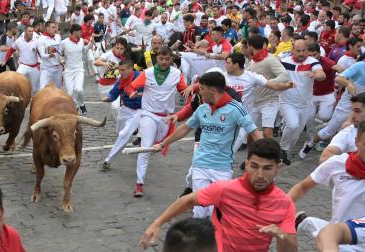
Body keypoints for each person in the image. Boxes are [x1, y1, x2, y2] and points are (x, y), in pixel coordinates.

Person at [140, 138, 297, 252]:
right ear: (247, 164)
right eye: (254, 166)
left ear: (278, 168)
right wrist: (158, 222)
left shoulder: (284, 204)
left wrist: (282, 237)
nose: (260, 175)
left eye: (267, 168)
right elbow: (189, 201)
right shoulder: (225, 189)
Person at [153, 70, 264, 217]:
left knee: (216, 212)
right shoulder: (202, 109)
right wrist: (163, 143)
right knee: (199, 210)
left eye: (202, 89)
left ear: (213, 90)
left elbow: (255, 133)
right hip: (200, 164)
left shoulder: (236, 109)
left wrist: (269, 156)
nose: (200, 93)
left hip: (222, 167)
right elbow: (185, 128)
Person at [287, 121, 365, 251]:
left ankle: (305, 222)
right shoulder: (338, 164)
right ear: (356, 141)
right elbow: (303, 187)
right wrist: (279, 210)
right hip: (339, 238)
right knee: (327, 234)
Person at [125, 46, 187, 197]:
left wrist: (193, 92)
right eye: (161, 59)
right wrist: (132, 93)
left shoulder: (176, 74)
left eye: (167, 59)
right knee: (146, 148)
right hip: (149, 115)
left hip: (166, 119)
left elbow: (184, 91)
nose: (164, 62)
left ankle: (150, 149)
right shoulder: (147, 73)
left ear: (172, 59)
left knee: (156, 146)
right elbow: (130, 87)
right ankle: (139, 184)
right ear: (156, 58)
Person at [300, 61, 365, 159]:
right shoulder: (359, 66)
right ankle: (310, 144)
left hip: (362, 106)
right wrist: (348, 84)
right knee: (329, 131)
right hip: (346, 105)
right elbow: (339, 78)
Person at [279, 38, 326, 165]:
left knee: (296, 134)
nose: (301, 54)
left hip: (305, 105)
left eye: (304, 50)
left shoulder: (313, 62)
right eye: (298, 51)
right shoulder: (284, 61)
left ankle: (285, 154)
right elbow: (275, 74)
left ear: (307, 49)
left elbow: (322, 74)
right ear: (292, 50)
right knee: (292, 125)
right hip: (287, 102)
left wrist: (317, 75)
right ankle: (282, 149)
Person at [100, 60, 142, 170]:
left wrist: (139, 95)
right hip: (125, 109)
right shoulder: (121, 79)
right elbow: (115, 91)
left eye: (123, 70)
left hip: (139, 110)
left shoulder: (140, 78)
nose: (120, 72)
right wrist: (109, 98)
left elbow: (149, 92)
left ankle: (107, 160)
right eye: (119, 69)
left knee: (124, 134)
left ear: (131, 68)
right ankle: (134, 129)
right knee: (119, 132)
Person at [247, 35, 289, 140]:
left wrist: (267, 83)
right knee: (250, 133)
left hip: (270, 101)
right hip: (255, 101)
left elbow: (284, 75)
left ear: (250, 47)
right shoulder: (253, 61)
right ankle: (253, 155)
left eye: (248, 47)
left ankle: (272, 156)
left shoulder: (270, 59)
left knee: (267, 132)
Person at [319, 93, 365, 163]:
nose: (352, 116)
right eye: (352, 111)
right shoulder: (348, 132)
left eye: (357, 111)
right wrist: (353, 167)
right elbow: (325, 157)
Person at [60, 24, 94, 115]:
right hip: (68, 71)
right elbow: (60, 53)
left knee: (79, 89)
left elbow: (84, 52)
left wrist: (90, 45)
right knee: (70, 93)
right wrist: (61, 59)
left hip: (79, 69)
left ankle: (82, 105)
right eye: (80, 31)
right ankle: (75, 107)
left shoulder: (81, 41)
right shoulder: (64, 42)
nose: (81, 33)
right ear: (74, 32)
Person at [94, 37, 127, 120]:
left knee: (116, 107)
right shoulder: (108, 54)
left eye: (121, 49)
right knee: (112, 110)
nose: (119, 50)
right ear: (114, 47)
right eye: (117, 48)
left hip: (117, 86)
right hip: (104, 87)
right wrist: (104, 64)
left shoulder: (125, 58)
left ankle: (124, 128)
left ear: (125, 49)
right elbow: (96, 62)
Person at [2, 25, 40, 95]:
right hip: (23, 66)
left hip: (34, 67)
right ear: (25, 31)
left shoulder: (37, 41)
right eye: (29, 31)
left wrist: (41, 63)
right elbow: (11, 50)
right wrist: (5, 60)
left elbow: (41, 53)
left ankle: (32, 102)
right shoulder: (19, 41)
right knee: (16, 79)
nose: (31, 33)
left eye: (32, 31)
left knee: (34, 90)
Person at [37, 21, 62, 89]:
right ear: (47, 28)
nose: (55, 29)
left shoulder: (58, 37)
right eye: (53, 27)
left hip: (58, 68)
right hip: (46, 68)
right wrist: (49, 56)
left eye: (55, 27)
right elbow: (42, 55)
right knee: (42, 88)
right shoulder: (41, 39)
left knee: (57, 89)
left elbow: (60, 50)